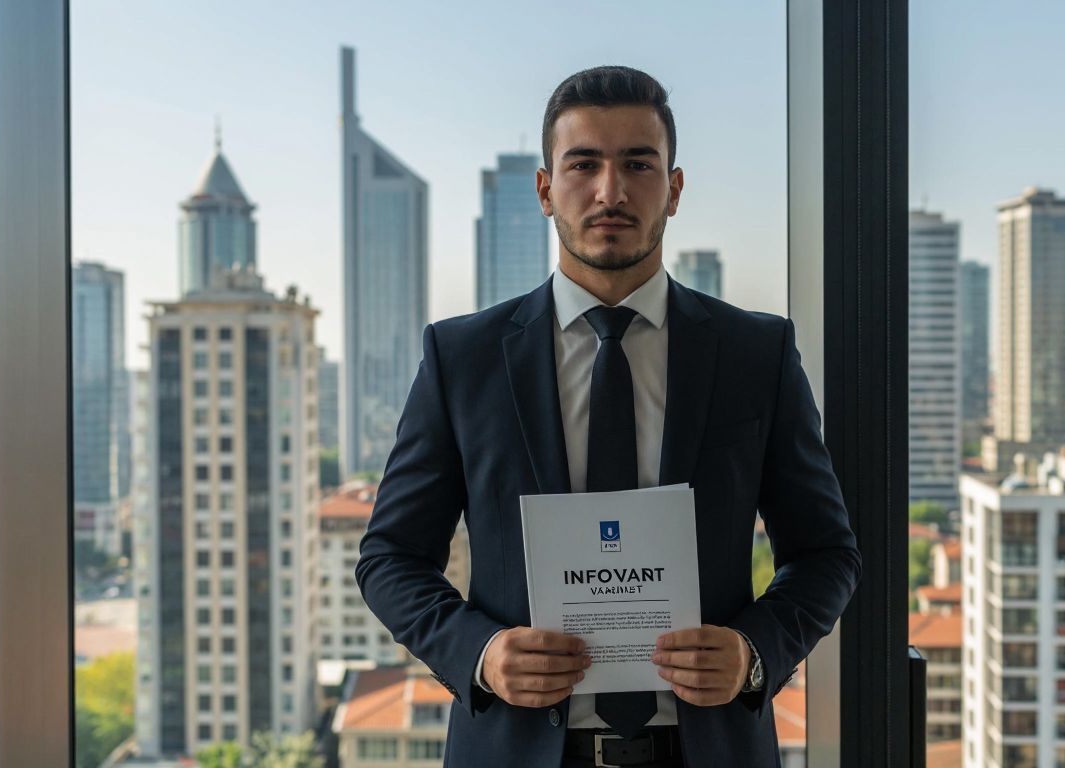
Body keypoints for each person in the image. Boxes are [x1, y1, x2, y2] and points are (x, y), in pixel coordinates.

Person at [356, 65, 860, 768]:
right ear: (544, 188)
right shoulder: (462, 357)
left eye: (638, 164)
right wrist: (480, 653)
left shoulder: (756, 353)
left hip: (708, 750)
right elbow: (390, 558)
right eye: (584, 164)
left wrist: (753, 653)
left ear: (674, 189)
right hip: (515, 748)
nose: (610, 191)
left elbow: (827, 553)